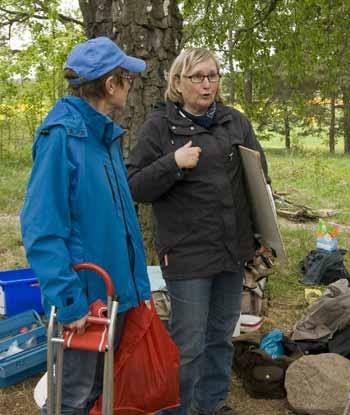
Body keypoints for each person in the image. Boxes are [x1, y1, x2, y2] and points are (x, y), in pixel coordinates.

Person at [127, 48, 270, 415]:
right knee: (188, 344)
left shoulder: (234, 122)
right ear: (177, 82)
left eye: (213, 75)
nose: (208, 84)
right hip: (187, 253)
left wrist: (259, 238)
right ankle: (176, 409)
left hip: (231, 250)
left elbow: (258, 183)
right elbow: (135, 187)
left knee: (221, 337)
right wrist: (173, 163)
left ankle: (212, 405)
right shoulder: (159, 128)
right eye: (198, 76)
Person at [20, 37, 151, 414]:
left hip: (112, 294)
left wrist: (136, 287)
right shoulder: (63, 135)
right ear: (112, 84)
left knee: (95, 391)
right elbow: (41, 228)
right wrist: (71, 302)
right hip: (85, 303)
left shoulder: (103, 135)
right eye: (128, 78)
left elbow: (117, 221)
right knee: (71, 399)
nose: (131, 85)